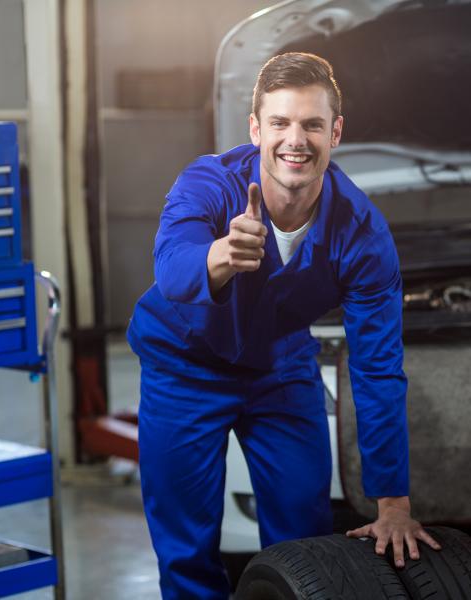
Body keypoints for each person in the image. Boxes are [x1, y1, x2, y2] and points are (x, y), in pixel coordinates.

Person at [127, 52, 439, 599]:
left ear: (335, 132)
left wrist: (393, 503)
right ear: (256, 129)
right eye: (280, 123)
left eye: (312, 124)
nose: (296, 140)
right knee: (186, 548)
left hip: (280, 367)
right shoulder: (208, 183)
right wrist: (221, 255)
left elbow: (377, 369)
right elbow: (171, 267)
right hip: (183, 367)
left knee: (304, 536)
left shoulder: (362, 234)